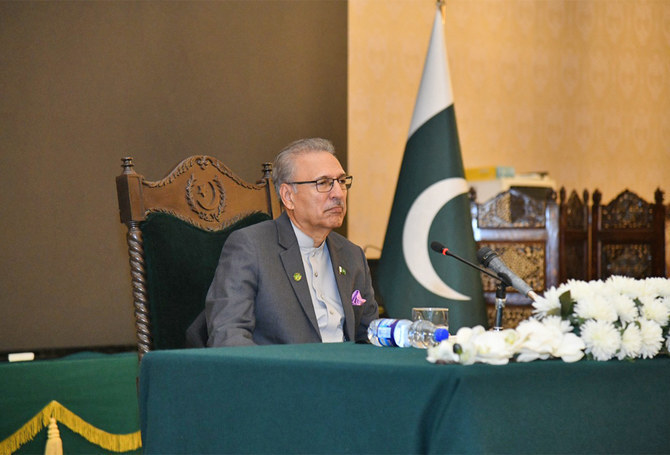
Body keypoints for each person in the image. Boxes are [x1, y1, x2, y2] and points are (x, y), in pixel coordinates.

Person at [202, 138, 378, 347]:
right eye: (323, 183)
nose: (338, 193)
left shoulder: (352, 255)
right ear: (288, 196)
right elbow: (228, 335)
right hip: (281, 367)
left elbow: (370, 335)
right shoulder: (251, 247)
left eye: (341, 181)